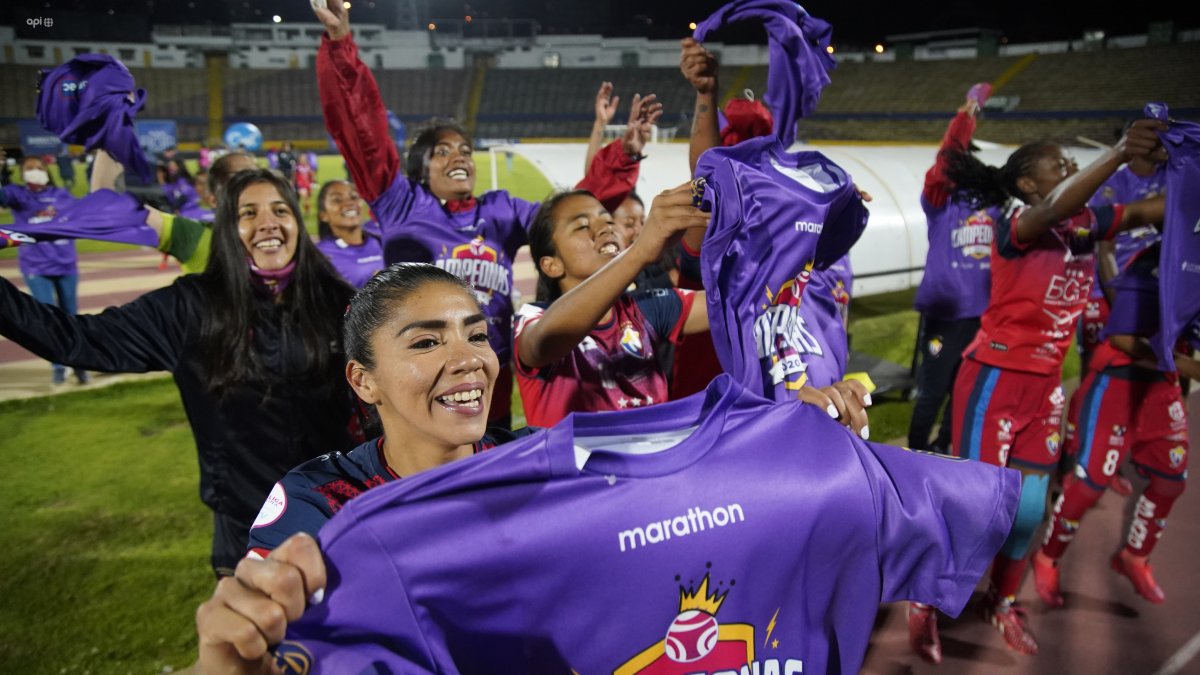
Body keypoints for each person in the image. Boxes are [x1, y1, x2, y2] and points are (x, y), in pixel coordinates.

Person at [200, 369, 1021, 674]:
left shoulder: (816, 455)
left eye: (468, 335)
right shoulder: (382, 532)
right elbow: (1010, 507)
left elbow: (1009, 503)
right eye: (424, 341)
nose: (461, 363)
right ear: (364, 378)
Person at [0, 169, 360, 577]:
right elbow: (76, 340)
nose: (268, 222)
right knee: (261, 640)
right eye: (248, 213)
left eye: (281, 210)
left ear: (298, 222)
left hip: (342, 517)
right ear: (226, 229)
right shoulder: (190, 308)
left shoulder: (339, 303)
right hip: (247, 529)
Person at [313, 0, 649, 429]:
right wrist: (341, 45)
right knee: (423, 470)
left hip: (488, 373)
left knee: (485, 469)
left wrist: (624, 156)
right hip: (420, 373)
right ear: (421, 168)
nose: (461, 157)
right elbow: (361, 129)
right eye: (444, 151)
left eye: (466, 150)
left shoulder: (501, 211)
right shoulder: (399, 202)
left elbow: (568, 216)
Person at [942, 118, 1168, 655]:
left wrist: (1187, 174)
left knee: (1027, 513)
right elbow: (1057, 208)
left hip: (1045, 391)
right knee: (978, 510)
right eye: (1058, 165)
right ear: (1027, 184)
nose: (1069, 169)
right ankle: (929, 596)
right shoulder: (1017, 222)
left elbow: (1144, 211)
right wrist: (1115, 155)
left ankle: (1001, 602)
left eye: (1071, 165)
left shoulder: (1086, 223)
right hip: (993, 382)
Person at [245, 263, 538, 557]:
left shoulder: (540, 462)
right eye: (427, 342)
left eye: (477, 336)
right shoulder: (323, 499)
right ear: (364, 381)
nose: (470, 360)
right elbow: (266, 590)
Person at [1032, 231, 1193, 608]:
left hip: (1162, 384)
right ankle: (1047, 556)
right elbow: (1122, 339)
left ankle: (1134, 557)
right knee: (1090, 485)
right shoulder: (1156, 263)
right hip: (1118, 380)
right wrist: (1185, 365)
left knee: (1171, 480)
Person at [91, 148, 259, 272]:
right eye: (241, 180)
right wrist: (110, 136)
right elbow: (108, 205)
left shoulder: (282, 229)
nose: (256, 187)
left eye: (259, 177)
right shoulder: (194, 235)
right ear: (213, 200)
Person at [0, 155, 90, 385]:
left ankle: (81, 364)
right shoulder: (18, 195)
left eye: (38, 168)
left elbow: (83, 214)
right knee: (47, 317)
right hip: (36, 267)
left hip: (65, 264)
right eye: (29, 169)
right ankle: (58, 365)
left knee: (71, 316)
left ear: (46, 170)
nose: (34, 172)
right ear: (22, 173)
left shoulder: (62, 195)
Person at [312, 179, 384, 288]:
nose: (349, 202)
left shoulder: (382, 239)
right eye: (337, 200)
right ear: (323, 215)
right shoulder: (319, 255)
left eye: (354, 197)